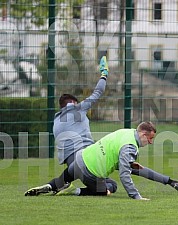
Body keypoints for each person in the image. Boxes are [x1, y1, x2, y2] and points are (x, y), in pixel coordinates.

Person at [25, 55, 118, 195]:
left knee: (78, 177)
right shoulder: (77, 109)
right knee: (111, 185)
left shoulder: (56, 121)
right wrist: (104, 74)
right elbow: (98, 92)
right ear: (73, 103)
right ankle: (76, 191)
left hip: (70, 162)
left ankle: (56, 185)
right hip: (86, 157)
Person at [55, 121, 178, 200]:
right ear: (143, 134)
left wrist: (171, 182)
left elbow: (141, 171)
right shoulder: (130, 147)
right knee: (109, 189)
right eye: (150, 138)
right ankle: (75, 191)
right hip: (90, 171)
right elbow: (124, 175)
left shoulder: (126, 133)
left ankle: (51, 187)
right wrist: (136, 196)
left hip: (80, 158)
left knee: (61, 181)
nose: (151, 142)